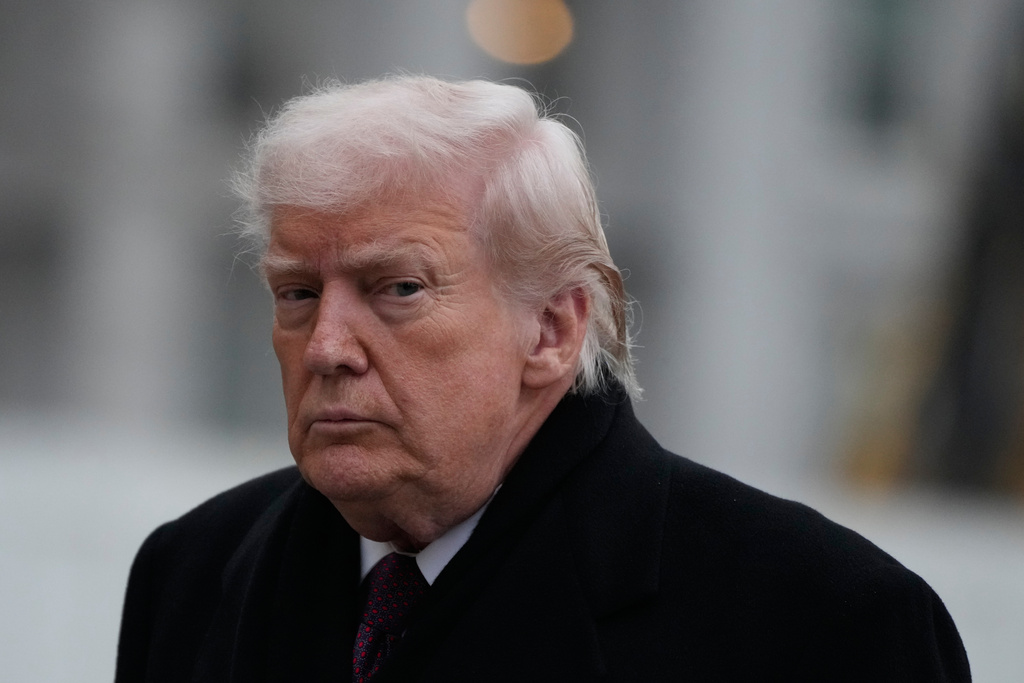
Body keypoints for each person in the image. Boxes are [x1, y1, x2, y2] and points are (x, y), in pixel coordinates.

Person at [115, 76, 971, 682]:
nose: (327, 345)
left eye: (398, 289)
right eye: (297, 293)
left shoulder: (825, 622)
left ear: (554, 329)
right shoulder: (189, 573)